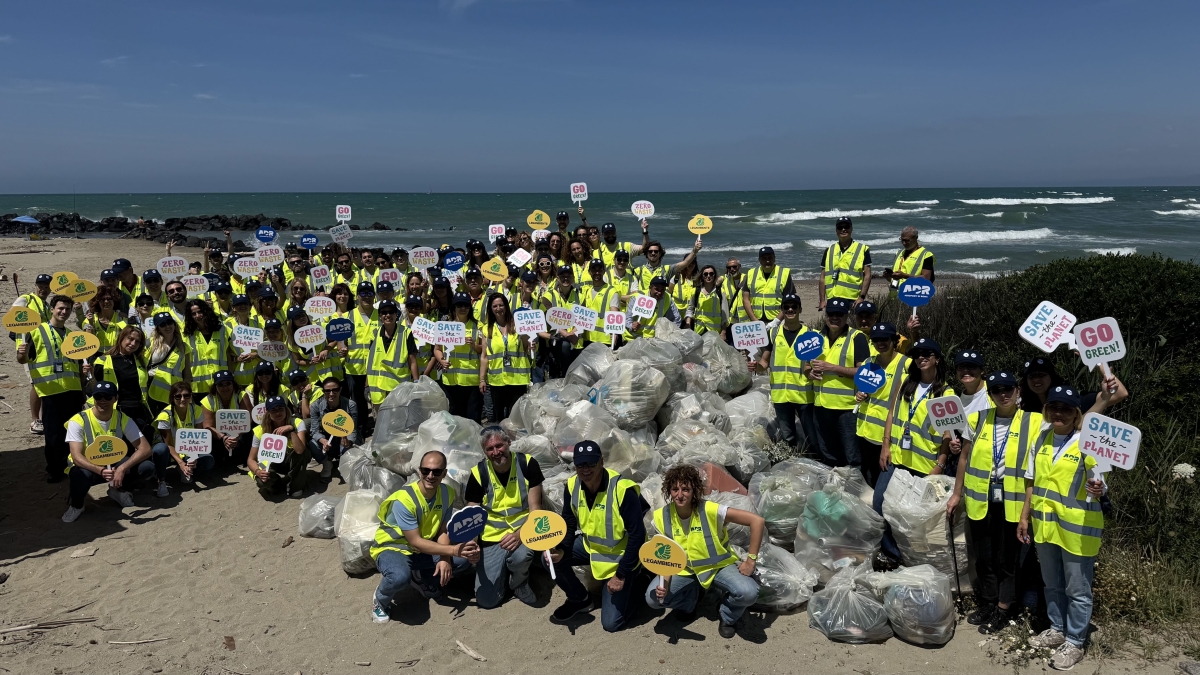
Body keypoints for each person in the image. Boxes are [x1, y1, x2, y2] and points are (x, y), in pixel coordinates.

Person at [946, 370, 1043, 634]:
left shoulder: (1035, 421)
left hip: (1014, 504)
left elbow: (1071, 424)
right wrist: (957, 494)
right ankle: (988, 602)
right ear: (990, 394)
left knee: (1008, 559)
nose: (1003, 395)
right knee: (984, 557)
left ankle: (1004, 607)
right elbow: (964, 458)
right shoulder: (978, 420)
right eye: (997, 390)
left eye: (1008, 389)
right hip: (981, 500)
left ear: (1018, 392)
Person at [1017, 385, 1105, 671]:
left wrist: (1098, 487)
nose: (1059, 412)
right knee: (1052, 584)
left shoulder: (1087, 441)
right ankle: (1057, 630)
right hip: (1045, 526)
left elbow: (1100, 482)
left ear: (1077, 413)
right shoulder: (1041, 438)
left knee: (1077, 590)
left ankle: (1076, 641)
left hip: (1077, 529)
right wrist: (1024, 517)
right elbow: (1031, 482)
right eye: (1054, 407)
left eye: (1066, 408)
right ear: (1047, 410)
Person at [645, 464, 764, 638]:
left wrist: (751, 560)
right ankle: (689, 603)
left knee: (748, 592)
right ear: (668, 490)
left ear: (695, 490)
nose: (680, 494)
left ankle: (727, 615)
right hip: (684, 570)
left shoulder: (710, 509)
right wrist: (666, 584)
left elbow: (757, 521)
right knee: (653, 599)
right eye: (675, 489)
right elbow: (668, 557)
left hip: (718, 567)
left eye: (686, 489)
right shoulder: (662, 517)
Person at [370, 450, 481, 623]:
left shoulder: (447, 493)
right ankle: (380, 599)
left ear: (444, 473)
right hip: (394, 547)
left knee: (461, 560)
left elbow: (443, 531)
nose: (430, 475)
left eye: (437, 471)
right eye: (425, 470)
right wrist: (451, 550)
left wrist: (445, 556)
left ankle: (423, 579)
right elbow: (416, 542)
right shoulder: (405, 500)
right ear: (419, 471)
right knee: (399, 577)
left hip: (422, 548)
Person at [547, 441, 648, 631]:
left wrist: (621, 575)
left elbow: (638, 536)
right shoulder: (572, 485)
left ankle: (639, 581)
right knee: (550, 559)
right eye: (580, 465)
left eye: (591, 464)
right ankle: (580, 599)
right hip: (591, 548)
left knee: (611, 624)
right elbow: (569, 522)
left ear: (601, 462)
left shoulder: (622, 490)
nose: (586, 469)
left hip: (621, 557)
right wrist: (561, 549)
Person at [876, 337, 952, 567]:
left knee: (920, 519)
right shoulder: (905, 382)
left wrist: (939, 464)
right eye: (918, 354)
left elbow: (947, 435)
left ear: (937, 359)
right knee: (880, 505)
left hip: (925, 465)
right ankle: (891, 554)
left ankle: (918, 560)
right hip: (897, 459)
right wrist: (885, 444)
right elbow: (891, 414)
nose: (922, 358)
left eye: (927, 354)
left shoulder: (946, 393)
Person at [466, 427, 543, 608]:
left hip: (523, 530)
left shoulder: (527, 464)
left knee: (521, 556)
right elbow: (472, 516)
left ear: (509, 443)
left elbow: (536, 510)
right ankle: (503, 576)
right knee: (487, 601)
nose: (496, 452)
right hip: (493, 537)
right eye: (490, 449)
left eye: (499, 445)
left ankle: (519, 583)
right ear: (485, 452)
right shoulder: (478, 474)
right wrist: (473, 544)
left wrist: (519, 535)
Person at [61, 381, 157, 522]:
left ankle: (118, 490)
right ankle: (77, 505)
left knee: (147, 467)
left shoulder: (122, 418)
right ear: (93, 398)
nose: (102, 401)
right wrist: (99, 470)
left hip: (113, 464)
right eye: (98, 397)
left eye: (107, 397)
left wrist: (122, 468)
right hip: (90, 466)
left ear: (116, 398)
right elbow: (76, 456)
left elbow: (146, 449)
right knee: (80, 475)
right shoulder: (78, 420)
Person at [17, 294, 85, 482]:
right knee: (54, 434)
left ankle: (72, 464)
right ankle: (55, 470)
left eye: (67, 309)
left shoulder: (72, 335)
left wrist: (83, 385)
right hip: (50, 390)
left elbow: (77, 365)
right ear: (52, 309)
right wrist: (21, 354)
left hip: (72, 390)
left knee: (73, 432)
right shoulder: (36, 331)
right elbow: (24, 359)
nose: (64, 312)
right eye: (60, 308)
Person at [756, 293, 819, 454]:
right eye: (786, 307)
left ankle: (817, 463)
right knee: (788, 436)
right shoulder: (773, 334)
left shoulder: (810, 335)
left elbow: (814, 363)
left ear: (800, 309)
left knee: (812, 437)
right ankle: (791, 464)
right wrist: (755, 366)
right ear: (782, 310)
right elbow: (764, 363)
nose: (790, 309)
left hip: (804, 395)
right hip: (781, 395)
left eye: (794, 307)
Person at [811, 298, 870, 469]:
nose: (835, 317)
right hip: (821, 406)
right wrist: (811, 372)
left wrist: (832, 367)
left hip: (847, 409)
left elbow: (863, 373)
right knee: (828, 454)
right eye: (831, 314)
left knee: (852, 456)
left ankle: (855, 489)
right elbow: (807, 367)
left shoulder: (857, 337)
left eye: (840, 314)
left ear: (847, 316)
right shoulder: (816, 337)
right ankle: (834, 488)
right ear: (825, 315)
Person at [854, 322, 909, 489]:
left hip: (888, 433)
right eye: (876, 340)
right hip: (864, 430)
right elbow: (859, 389)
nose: (880, 343)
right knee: (870, 476)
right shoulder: (868, 362)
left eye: (885, 339)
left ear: (894, 340)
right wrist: (858, 395)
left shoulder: (906, 364)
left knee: (886, 482)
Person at [85, 324, 153, 439]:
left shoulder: (142, 361)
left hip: (138, 411)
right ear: (122, 337)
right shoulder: (102, 360)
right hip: (115, 411)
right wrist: (90, 376)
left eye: (137, 342)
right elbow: (94, 389)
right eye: (130, 339)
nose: (133, 344)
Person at [11, 272, 52, 435]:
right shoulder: (26, 299)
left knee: (43, 381)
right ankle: (35, 420)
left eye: (46, 286)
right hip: (29, 348)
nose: (43, 289)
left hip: (43, 349)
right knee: (36, 383)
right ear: (35, 286)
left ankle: (44, 418)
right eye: (40, 286)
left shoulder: (47, 306)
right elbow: (12, 317)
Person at [480, 294, 532, 421]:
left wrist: (530, 343)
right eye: (495, 306)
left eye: (501, 305)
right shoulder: (486, 329)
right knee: (499, 420)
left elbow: (526, 347)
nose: (498, 308)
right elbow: (484, 356)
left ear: (506, 306)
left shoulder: (518, 324)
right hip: (497, 381)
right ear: (491, 309)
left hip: (517, 380)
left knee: (515, 420)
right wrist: (482, 379)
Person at [153, 381, 212, 491]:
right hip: (169, 451)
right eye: (178, 396)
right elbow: (168, 445)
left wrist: (194, 457)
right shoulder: (164, 416)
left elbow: (199, 439)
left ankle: (187, 469)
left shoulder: (197, 410)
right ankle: (161, 480)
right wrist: (181, 463)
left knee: (208, 460)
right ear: (172, 398)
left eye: (186, 395)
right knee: (161, 449)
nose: (183, 399)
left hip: (187, 449)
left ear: (190, 396)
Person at [248, 395, 309, 499]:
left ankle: (295, 486)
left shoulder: (298, 422)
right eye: (273, 410)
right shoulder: (259, 430)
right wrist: (258, 472)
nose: (278, 413)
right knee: (262, 480)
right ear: (268, 413)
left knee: (304, 453)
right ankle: (278, 484)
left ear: (286, 410)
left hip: (291, 460)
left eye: (281, 409)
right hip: (272, 463)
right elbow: (251, 459)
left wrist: (291, 430)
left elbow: (300, 450)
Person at [435, 293, 483, 422]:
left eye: (466, 305)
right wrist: (441, 360)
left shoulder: (477, 326)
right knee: (454, 418)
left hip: (471, 381)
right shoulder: (444, 326)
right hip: (450, 380)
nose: (463, 308)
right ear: (454, 307)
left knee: (473, 417)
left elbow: (483, 350)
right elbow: (437, 349)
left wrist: (474, 345)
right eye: (459, 305)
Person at [365, 300, 419, 411]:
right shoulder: (374, 334)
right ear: (380, 315)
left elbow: (412, 361)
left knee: (398, 425)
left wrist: (416, 383)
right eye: (384, 312)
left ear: (396, 314)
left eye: (391, 312)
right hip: (378, 391)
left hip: (398, 391)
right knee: (381, 426)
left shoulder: (406, 333)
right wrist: (366, 385)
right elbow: (370, 363)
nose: (388, 315)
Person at [308, 377, 360, 481]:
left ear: (340, 389)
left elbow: (353, 429)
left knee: (349, 449)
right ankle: (327, 463)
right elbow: (314, 430)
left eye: (334, 390)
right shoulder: (316, 406)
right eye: (327, 391)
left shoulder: (350, 405)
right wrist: (323, 441)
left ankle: (345, 463)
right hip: (327, 439)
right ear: (323, 392)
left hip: (343, 438)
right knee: (312, 444)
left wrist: (348, 441)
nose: (331, 394)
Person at [342, 282, 378, 433]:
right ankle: (360, 429)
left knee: (375, 399)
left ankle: (377, 428)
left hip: (376, 367)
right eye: (363, 293)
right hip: (354, 368)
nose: (366, 297)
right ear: (357, 297)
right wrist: (341, 348)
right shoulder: (347, 316)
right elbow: (340, 340)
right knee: (356, 402)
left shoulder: (381, 315)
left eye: (370, 293)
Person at [817, 216, 872, 311]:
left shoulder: (862, 249)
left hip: (852, 299)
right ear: (836, 230)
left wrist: (861, 297)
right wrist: (822, 300)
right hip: (832, 298)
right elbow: (823, 277)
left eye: (846, 227)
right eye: (840, 227)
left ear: (851, 229)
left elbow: (868, 275)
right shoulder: (829, 250)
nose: (843, 229)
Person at [539, 266, 584, 376]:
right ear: (558, 278)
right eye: (563, 276)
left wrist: (574, 334)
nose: (566, 279)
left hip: (576, 341)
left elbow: (583, 319)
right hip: (557, 342)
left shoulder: (580, 296)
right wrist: (567, 334)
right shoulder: (548, 296)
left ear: (573, 278)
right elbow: (546, 319)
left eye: (569, 276)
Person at [145, 312, 191, 416]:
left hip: (175, 391)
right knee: (153, 420)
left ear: (174, 324)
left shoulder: (184, 347)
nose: (167, 326)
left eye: (169, 322)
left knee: (171, 420)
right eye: (162, 324)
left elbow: (187, 374)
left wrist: (188, 393)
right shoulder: (150, 343)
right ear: (158, 328)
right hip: (153, 388)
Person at [183, 299, 232, 395]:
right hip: (198, 385)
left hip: (221, 383)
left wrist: (231, 375)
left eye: (200, 312)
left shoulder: (222, 329)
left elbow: (227, 353)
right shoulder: (187, 334)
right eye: (193, 314)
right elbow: (186, 358)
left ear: (206, 311)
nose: (197, 316)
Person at [201, 370, 248, 466]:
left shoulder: (241, 395)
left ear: (233, 384)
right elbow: (207, 426)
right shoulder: (208, 400)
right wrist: (224, 438)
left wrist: (236, 435)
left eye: (228, 383)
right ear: (215, 386)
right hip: (218, 437)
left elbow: (249, 419)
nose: (225, 387)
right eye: (220, 385)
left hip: (239, 434)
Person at [742, 246, 795, 325]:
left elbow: (789, 300)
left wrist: (776, 320)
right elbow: (746, 299)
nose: (767, 261)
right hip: (756, 320)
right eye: (764, 258)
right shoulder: (751, 273)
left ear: (774, 258)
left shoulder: (784, 273)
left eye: (770, 258)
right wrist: (753, 319)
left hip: (778, 320)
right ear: (759, 260)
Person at [885, 226, 934, 297]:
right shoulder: (899, 254)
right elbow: (896, 280)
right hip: (894, 296)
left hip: (912, 296)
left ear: (916, 238)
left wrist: (905, 276)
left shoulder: (926, 255)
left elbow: (926, 279)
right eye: (902, 240)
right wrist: (889, 277)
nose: (904, 243)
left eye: (907, 240)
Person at [635, 240, 700, 294]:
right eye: (650, 251)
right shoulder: (638, 270)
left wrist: (695, 250)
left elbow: (685, 263)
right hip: (643, 305)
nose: (653, 253)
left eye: (656, 251)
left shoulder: (667, 269)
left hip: (661, 305)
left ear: (660, 253)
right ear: (646, 253)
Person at [583, 259, 621, 348]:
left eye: (599, 270)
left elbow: (614, 313)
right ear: (589, 272)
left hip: (605, 340)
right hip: (588, 338)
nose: (597, 273)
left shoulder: (611, 291)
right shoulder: (587, 291)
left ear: (604, 271)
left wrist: (615, 333)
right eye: (594, 270)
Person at [81, 285, 127, 353]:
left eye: (109, 299)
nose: (106, 302)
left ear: (114, 300)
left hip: (117, 358)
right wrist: (91, 323)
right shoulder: (89, 320)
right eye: (102, 299)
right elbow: (89, 343)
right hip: (97, 359)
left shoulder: (122, 318)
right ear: (97, 302)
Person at [686, 264, 728, 338]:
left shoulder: (720, 292)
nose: (708, 276)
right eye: (705, 274)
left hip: (714, 331)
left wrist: (723, 332)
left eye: (711, 274)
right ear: (702, 276)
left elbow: (724, 314)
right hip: (699, 330)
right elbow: (690, 309)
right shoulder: (696, 291)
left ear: (714, 275)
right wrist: (688, 324)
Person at [955, 349, 992, 416]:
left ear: (982, 371)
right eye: (961, 367)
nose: (966, 370)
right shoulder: (956, 402)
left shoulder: (995, 391)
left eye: (971, 366)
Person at [720, 258, 747, 326]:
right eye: (729, 267)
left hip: (746, 320)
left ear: (739, 266)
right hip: (731, 321)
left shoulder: (747, 278)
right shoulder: (724, 282)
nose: (732, 269)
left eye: (734, 266)